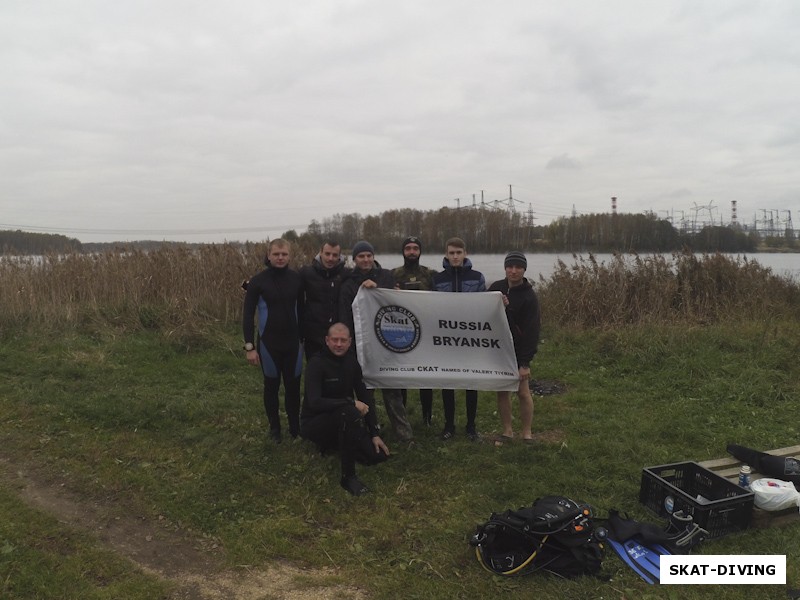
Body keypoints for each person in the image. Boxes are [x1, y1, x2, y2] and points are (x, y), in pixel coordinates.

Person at [300, 323, 390, 496]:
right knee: (350, 412)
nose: (339, 344)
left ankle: (338, 444)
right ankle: (348, 478)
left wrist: (374, 433)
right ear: (327, 340)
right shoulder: (316, 364)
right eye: (335, 340)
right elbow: (315, 402)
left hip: (343, 417)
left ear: (350, 342)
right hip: (315, 422)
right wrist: (349, 402)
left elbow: (365, 397)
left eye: (343, 340)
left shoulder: (351, 362)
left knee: (377, 457)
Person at [339, 240, 414, 442]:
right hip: (362, 348)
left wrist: (378, 288)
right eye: (361, 256)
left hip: (387, 344)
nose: (365, 259)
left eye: (368, 255)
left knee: (393, 393)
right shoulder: (348, 283)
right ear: (354, 259)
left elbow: (395, 301)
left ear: (373, 257)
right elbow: (345, 315)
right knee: (366, 393)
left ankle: (403, 434)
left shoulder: (386, 277)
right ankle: (370, 431)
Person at [242, 239, 304, 443]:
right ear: (268, 255)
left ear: (289, 256)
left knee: (293, 387)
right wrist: (250, 347)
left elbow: (304, 311)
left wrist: (305, 339)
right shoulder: (258, 282)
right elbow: (248, 315)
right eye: (276, 254)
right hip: (269, 344)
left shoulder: (297, 279)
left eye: (284, 254)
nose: (280, 258)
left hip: (294, 343)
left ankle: (295, 428)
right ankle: (275, 428)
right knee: (271, 386)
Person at [432, 237, 486, 441]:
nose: (455, 256)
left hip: (470, 338)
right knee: (448, 382)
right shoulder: (438, 279)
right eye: (451, 253)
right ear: (446, 254)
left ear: (465, 253)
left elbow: (484, 305)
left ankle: (471, 426)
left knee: (471, 381)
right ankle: (449, 426)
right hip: (446, 339)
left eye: (458, 252)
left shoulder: (477, 277)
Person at [489, 251, 541, 443]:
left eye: (518, 267)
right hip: (498, 349)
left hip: (518, 352)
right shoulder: (496, 288)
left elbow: (531, 331)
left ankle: (527, 433)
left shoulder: (529, 296)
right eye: (510, 267)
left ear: (524, 269)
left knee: (522, 392)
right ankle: (507, 431)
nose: (513, 271)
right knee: (503, 391)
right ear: (505, 268)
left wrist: (525, 363)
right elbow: (485, 313)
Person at [391, 236, 436, 426]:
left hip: (425, 332)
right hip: (402, 332)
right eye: (408, 248)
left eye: (415, 248)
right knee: (402, 377)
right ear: (403, 251)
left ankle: (427, 417)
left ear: (420, 251)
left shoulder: (430, 274)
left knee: (425, 377)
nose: (411, 252)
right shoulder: (393, 274)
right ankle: (402, 417)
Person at [299, 240, 350, 361]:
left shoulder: (347, 274)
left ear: (340, 256)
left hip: (338, 337)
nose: (330, 258)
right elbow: (286, 282)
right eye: (327, 254)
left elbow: (370, 275)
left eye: (335, 255)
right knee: (315, 372)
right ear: (320, 253)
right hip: (313, 336)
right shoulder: (306, 273)